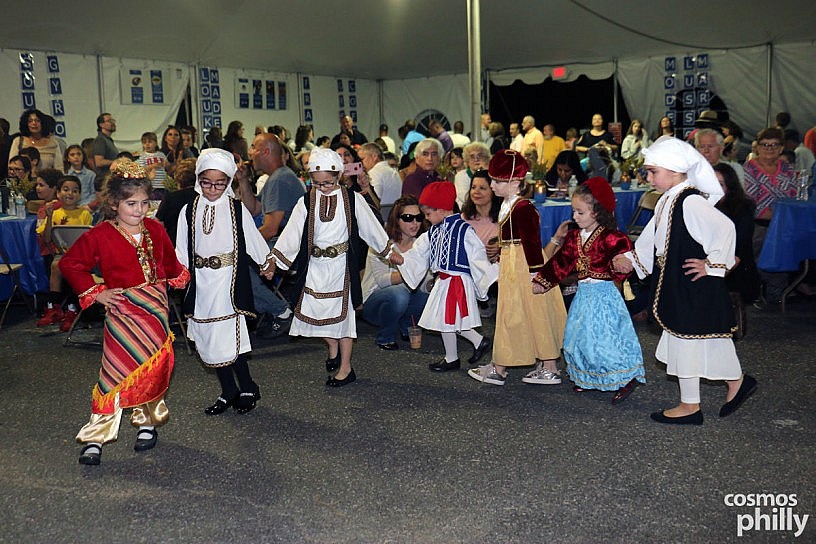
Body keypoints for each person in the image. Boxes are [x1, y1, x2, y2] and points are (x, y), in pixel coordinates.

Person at [613, 136, 757, 425]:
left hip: (693, 282)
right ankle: (724, 387)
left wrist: (713, 264)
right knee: (690, 338)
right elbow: (654, 236)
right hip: (678, 281)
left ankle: (699, 400)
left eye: (653, 171)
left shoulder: (689, 201)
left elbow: (726, 229)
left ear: (675, 170)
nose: (649, 177)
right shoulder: (669, 199)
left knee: (693, 338)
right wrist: (632, 258)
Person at [59, 160, 190, 465]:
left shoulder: (156, 229)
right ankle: (95, 436)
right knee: (113, 375)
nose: (140, 210)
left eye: (145, 203)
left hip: (155, 311)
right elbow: (70, 264)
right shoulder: (101, 234)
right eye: (132, 203)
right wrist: (97, 292)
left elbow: (170, 266)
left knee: (152, 369)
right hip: (122, 314)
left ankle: (146, 422)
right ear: (115, 203)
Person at [267, 148, 394, 387]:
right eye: (317, 183)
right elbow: (292, 233)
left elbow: (370, 226)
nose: (323, 187)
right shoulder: (306, 201)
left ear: (338, 176)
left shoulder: (351, 199)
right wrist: (275, 260)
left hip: (341, 268)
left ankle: (346, 368)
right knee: (318, 312)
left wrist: (388, 251)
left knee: (344, 318)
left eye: (328, 182)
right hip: (315, 267)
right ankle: (332, 346)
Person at [175, 148, 276, 414]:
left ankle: (246, 386)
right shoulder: (188, 210)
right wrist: (179, 273)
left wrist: (266, 262)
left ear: (229, 181)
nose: (212, 189)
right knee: (207, 337)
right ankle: (227, 389)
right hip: (201, 282)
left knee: (229, 338)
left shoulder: (235, 208)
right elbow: (182, 247)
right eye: (206, 182)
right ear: (198, 179)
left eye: (220, 183)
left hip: (228, 281)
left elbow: (252, 238)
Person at [533, 177, 645, 400]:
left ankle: (623, 377)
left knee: (607, 338)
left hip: (604, 296)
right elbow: (562, 262)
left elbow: (625, 262)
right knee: (580, 337)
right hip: (583, 294)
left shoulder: (612, 238)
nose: (574, 216)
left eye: (580, 212)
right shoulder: (575, 237)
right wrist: (543, 280)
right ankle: (591, 377)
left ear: (598, 212)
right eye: (574, 211)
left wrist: (620, 263)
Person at [466, 150, 567, 386]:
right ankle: (502, 365)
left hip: (524, 267)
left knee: (532, 312)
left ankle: (546, 366)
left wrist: (536, 274)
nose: (492, 185)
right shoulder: (509, 204)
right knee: (514, 314)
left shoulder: (522, 208)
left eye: (498, 181)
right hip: (512, 264)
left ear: (515, 182)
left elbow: (532, 242)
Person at [392, 181, 497, 373]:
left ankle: (475, 343)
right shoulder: (433, 232)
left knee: (449, 319)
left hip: (457, 282)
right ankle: (458, 353)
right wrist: (401, 259)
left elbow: (478, 256)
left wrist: (489, 275)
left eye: (428, 214)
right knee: (445, 320)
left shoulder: (464, 230)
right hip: (443, 281)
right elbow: (418, 254)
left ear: (441, 210)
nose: (426, 218)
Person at [361, 196, 430, 350]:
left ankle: (406, 327)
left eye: (418, 218)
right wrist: (413, 272)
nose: (415, 223)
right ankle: (385, 337)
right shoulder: (381, 244)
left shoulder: (421, 245)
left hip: (402, 299)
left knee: (428, 297)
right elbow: (382, 281)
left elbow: (425, 286)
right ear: (396, 220)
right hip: (373, 301)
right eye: (408, 218)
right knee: (399, 294)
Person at [743, 127, 797, 304]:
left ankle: (784, 289)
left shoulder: (788, 169)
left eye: (774, 145)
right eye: (765, 144)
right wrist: (778, 212)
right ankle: (766, 290)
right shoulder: (749, 168)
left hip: (784, 224)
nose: (769, 148)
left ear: (781, 148)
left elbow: (793, 196)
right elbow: (752, 203)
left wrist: (780, 214)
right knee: (762, 242)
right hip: (759, 224)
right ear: (757, 147)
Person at [36, 175, 94, 331]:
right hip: (63, 255)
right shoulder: (55, 213)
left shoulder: (84, 214)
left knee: (72, 268)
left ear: (80, 194)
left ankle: (72, 310)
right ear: (58, 193)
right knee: (56, 264)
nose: (70, 193)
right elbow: (47, 239)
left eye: (75, 190)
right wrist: (48, 217)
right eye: (66, 189)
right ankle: (54, 308)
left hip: (81, 256)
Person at [713, 163, 760, 303]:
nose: (714, 189)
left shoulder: (743, 209)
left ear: (730, 187)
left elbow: (740, 247)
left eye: (720, 184)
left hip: (735, 269)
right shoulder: (701, 206)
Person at [155, 158, 197, 246]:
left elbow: (158, 225)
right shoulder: (204, 197)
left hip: (174, 244)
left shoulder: (171, 197)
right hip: (198, 245)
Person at [359, 142, 401, 221]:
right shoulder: (393, 171)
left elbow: (373, 202)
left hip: (381, 220)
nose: (360, 163)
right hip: (394, 217)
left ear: (374, 156)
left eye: (362, 159)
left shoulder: (375, 173)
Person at [454, 142, 490, 209]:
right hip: (467, 211)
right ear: (467, 161)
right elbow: (466, 198)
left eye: (480, 156)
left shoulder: (491, 175)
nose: (476, 159)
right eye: (472, 157)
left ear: (486, 159)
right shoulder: (461, 176)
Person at [136, 132, 170, 200]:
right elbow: (142, 169)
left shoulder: (161, 154)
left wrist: (167, 165)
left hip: (163, 185)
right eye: (144, 142)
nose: (147, 144)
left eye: (150, 142)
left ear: (156, 143)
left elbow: (167, 167)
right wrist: (152, 166)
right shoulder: (143, 156)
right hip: (152, 186)